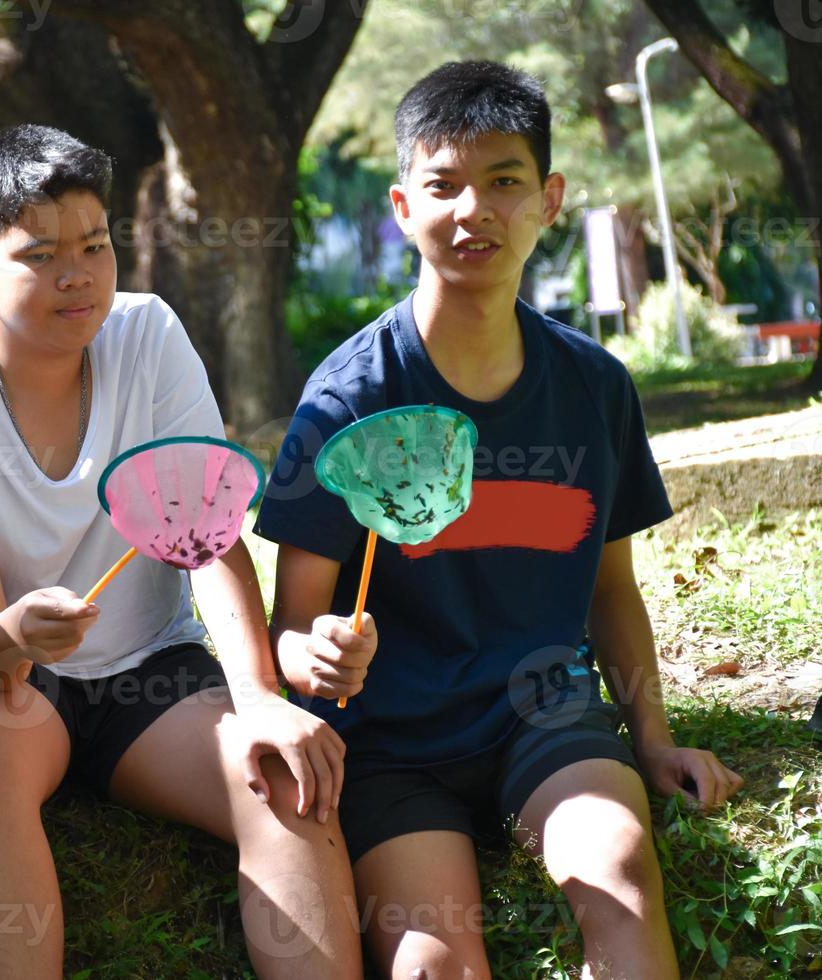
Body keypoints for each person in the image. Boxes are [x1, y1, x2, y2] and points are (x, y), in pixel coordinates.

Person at [255, 61, 744, 979]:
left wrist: (653, 738)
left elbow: (611, 589)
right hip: (391, 747)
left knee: (622, 874)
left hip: (546, 719)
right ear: (403, 206)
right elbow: (292, 626)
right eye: (443, 185)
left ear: (549, 199)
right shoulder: (348, 398)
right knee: (434, 959)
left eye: (504, 182)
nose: (472, 210)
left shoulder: (594, 387)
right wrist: (313, 653)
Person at [0, 123, 368, 978]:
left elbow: (209, 543)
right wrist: (17, 636)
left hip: (147, 667)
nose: (77, 275)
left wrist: (255, 696)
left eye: (95, 245)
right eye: (38, 256)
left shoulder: (147, 335)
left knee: (283, 779)